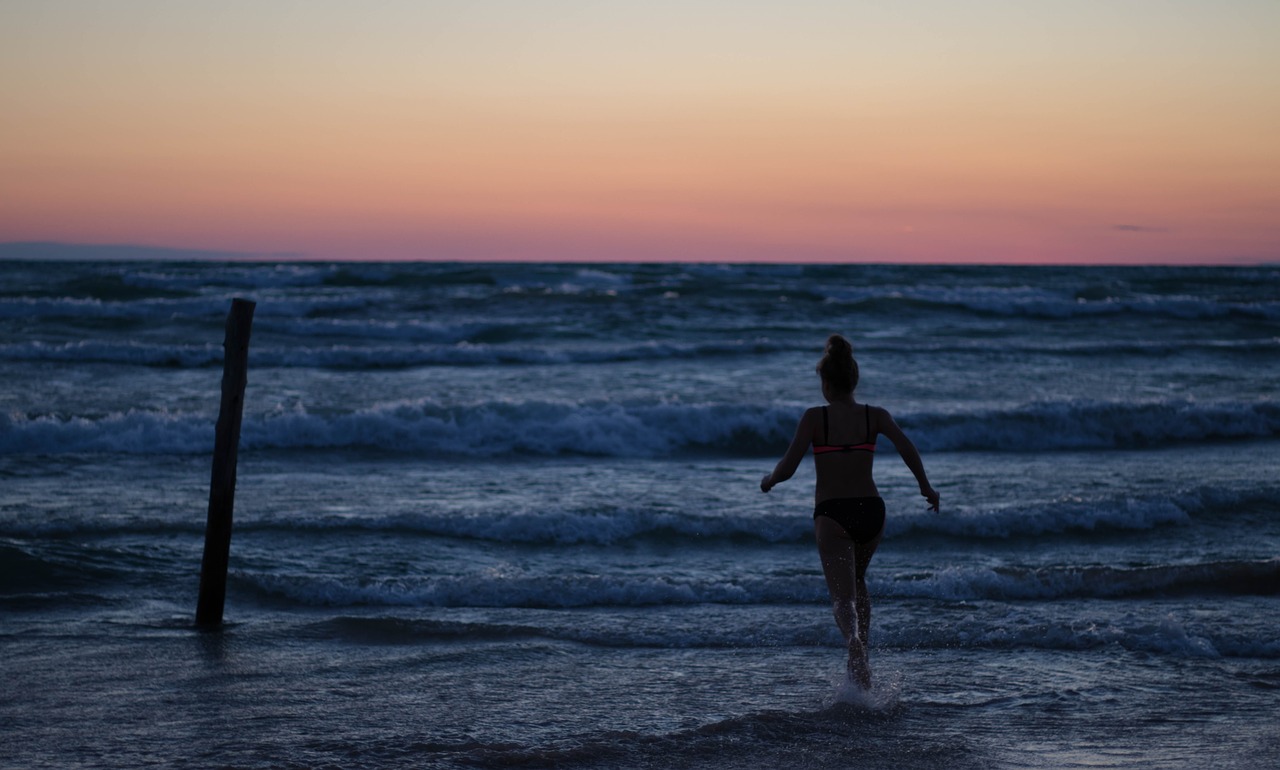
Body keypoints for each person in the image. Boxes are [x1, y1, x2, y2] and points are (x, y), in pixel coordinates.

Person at [760, 334, 939, 689]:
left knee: (842, 597)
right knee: (857, 581)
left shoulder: (815, 419)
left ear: (826, 384)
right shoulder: (876, 416)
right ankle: (863, 656)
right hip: (872, 513)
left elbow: (788, 467)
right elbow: (907, 448)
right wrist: (925, 487)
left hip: (832, 515)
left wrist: (769, 481)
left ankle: (854, 646)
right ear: (853, 381)